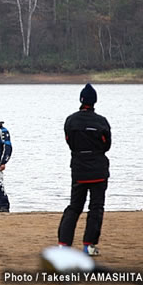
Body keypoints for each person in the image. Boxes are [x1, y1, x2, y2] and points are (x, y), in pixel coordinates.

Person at [58, 83, 111, 257]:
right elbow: (107, 145)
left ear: (81, 100)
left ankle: (64, 244)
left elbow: (69, 141)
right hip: (98, 169)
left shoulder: (71, 120)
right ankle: (89, 245)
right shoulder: (101, 121)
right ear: (94, 101)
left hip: (79, 168)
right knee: (96, 208)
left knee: (74, 207)